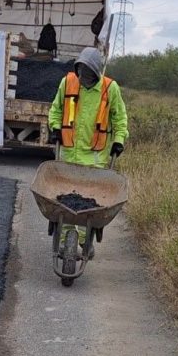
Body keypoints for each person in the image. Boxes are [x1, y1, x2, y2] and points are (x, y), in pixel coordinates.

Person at [47, 47, 129, 258]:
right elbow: (56, 110)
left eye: (88, 73)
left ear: (97, 72)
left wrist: (119, 141)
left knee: (88, 206)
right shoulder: (68, 83)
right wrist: (55, 127)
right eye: (81, 71)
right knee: (64, 203)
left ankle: (85, 240)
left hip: (95, 158)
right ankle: (65, 240)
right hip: (68, 153)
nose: (83, 77)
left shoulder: (110, 89)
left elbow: (120, 119)